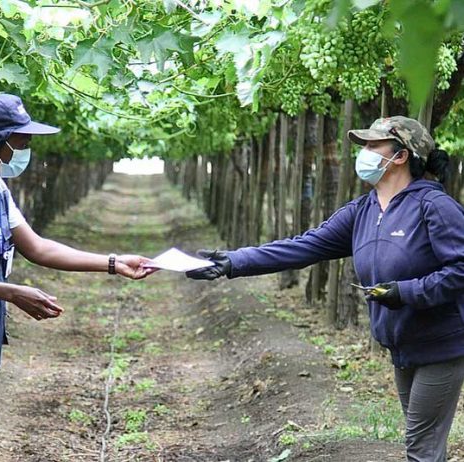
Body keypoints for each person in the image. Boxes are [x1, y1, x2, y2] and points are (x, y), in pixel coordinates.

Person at [187, 116, 464, 462]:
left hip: (441, 345)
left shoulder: (434, 207)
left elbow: (461, 269)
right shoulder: (363, 211)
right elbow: (303, 246)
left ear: (400, 156)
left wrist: (406, 292)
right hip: (401, 344)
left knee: (421, 448)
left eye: (372, 146)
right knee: (421, 443)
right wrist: (233, 262)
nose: (363, 153)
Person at [0, 94, 153, 462]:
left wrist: (114, 262)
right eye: (22, 139)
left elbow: (39, 247)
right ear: (0, 141)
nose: (27, 147)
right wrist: (12, 293)